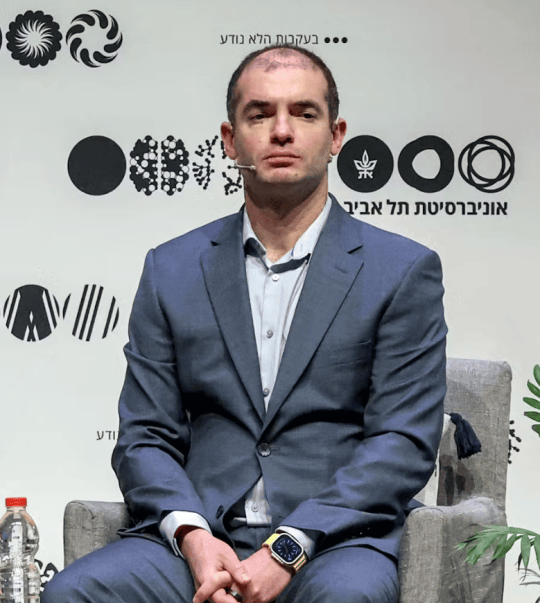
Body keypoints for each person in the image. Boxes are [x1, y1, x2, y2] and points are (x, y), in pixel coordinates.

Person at [44, 44, 446, 603]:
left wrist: (289, 546)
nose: (281, 131)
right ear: (230, 140)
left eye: (304, 113)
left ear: (336, 136)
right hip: (202, 541)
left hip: (334, 543)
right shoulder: (171, 269)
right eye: (260, 115)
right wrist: (192, 537)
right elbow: (145, 436)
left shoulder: (400, 271)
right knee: (75, 593)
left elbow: (401, 441)